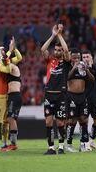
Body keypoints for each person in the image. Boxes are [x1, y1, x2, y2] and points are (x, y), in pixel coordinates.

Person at [41, 24, 70, 155]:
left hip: (61, 95)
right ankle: (51, 147)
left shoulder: (66, 62)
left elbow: (66, 49)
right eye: (56, 50)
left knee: (60, 123)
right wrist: (53, 35)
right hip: (49, 94)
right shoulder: (50, 60)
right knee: (48, 121)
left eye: (59, 50)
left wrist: (59, 34)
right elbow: (43, 49)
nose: (57, 51)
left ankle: (61, 146)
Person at [65, 48, 95, 153]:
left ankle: (83, 144)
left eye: (78, 57)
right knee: (72, 121)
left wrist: (87, 70)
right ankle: (68, 144)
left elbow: (92, 80)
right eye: (75, 57)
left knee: (84, 120)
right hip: (71, 96)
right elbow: (66, 78)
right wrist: (73, 68)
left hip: (82, 97)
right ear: (71, 58)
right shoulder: (68, 66)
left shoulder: (83, 67)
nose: (77, 59)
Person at [1, 37, 23, 151]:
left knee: (11, 119)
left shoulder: (13, 67)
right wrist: (14, 49)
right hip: (13, 96)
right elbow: (17, 57)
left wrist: (11, 49)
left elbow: (7, 60)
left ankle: (13, 144)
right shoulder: (10, 66)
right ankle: (13, 143)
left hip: (15, 96)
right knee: (11, 119)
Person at [82, 50, 96, 150]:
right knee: (84, 121)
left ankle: (91, 140)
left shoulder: (95, 67)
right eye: (84, 57)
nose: (86, 59)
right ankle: (85, 143)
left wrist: (92, 66)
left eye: (87, 57)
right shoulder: (80, 68)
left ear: (91, 58)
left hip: (94, 99)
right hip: (84, 99)